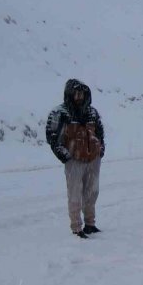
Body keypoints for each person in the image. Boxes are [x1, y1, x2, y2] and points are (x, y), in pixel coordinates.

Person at [45, 79, 105, 239]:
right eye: (76, 93)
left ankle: (90, 224)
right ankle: (76, 227)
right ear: (69, 94)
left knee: (92, 192)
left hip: (93, 158)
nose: (79, 96)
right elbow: (52, 136)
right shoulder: (60, 113)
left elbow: (100, 131)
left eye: (82, 93)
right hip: (74, 160)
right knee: (75, 194)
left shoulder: (92, 112)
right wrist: (64, 155)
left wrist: (101, 149)